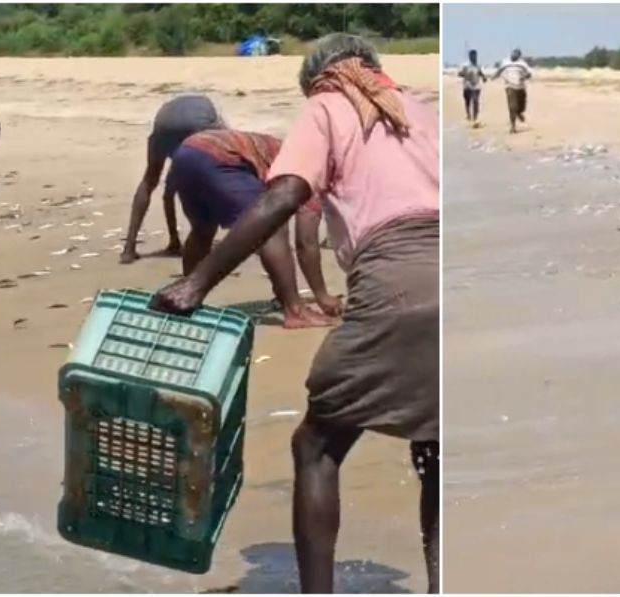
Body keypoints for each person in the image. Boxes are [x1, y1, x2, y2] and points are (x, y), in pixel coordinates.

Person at [150, 34, 439, 593]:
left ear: (320, 79)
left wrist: (197, 283)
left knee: (316, 446)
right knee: (431, 444)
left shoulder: (329, 105)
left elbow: (284, 198)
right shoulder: (420, 110)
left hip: (396, 279)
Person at [165, 128, 338, 327]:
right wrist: (322, 295)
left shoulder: (287, 150)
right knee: (273, 228)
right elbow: (305, 243)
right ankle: (295, 310)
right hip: (224, 158)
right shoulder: (311, 172)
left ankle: (182, 299)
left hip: (188, 151)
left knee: (203, 229)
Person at [121, 94, 226, 264]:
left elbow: (168, 195)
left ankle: (129, 249)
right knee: (218, 176)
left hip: (164, 123)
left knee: (149, 181)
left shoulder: (177, 153)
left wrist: (174, 239)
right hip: (197, 121)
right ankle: (251, 237)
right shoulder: (214, 125)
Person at [492, 49, 532, 134]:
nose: (514, 55)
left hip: (520, 87)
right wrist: (493, 77)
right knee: (512, 107)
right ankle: (513, 127)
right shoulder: (505, 62)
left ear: (519, 56)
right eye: (513, 53)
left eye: (516, 54)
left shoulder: (522, 64)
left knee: (522, 106)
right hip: (510, 86)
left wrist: (524, 77)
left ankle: (519, 112)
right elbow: (499, 71)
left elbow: (529, 73)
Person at [458, 49, 488, 124]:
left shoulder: (478, 65)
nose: (474, 57)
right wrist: (464, 74)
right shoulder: (466, 65)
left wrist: (484, 77)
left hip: (476, 87)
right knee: (467, 102)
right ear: (470, 57)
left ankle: (475, 118)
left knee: (475, 101)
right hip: (467, 86)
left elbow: (480, 72)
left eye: (475, 56)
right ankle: (468, 115)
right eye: (473, 56)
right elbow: (459, 73)